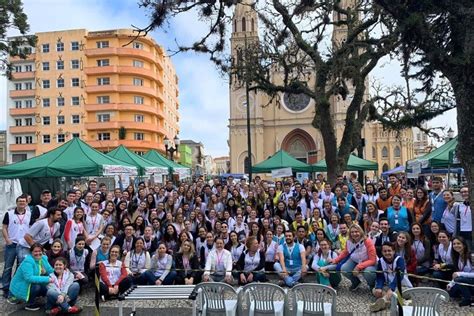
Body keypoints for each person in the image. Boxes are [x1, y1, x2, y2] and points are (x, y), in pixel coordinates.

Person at [8, 243, 54, 311]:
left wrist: (61, 273)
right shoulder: (28, 261)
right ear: (31, 252)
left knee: (46, 288)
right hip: (20, 285)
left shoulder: (43, 258)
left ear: (42, 252)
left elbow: (50, 270)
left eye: (39, 251)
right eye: (35, 251)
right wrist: (47, 279)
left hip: (28, 284)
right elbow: (29, 278)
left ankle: (34, 296)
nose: (38, 253)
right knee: (37, 287)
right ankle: (30, 304)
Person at [330, 224, 377, 290]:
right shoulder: (349, 241)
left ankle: (372, 284)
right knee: (344, 269)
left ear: (360, 232)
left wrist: (358, 267)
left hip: (368, 261)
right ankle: (356, 281)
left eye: (356, 231)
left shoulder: (367, 241)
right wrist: (336, 260)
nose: (354, 234)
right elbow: (345, 252)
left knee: (368, 272)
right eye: (352, 232)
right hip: (355, 259)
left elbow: (373, 260)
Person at [1, 194, 31, 298]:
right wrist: (7, 239)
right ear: (16, 203)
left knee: (20, 267)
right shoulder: (9, 214)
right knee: (8, 267)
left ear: (26, 203)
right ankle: (5, 287)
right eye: (20, 201)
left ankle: (14, 287)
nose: (22, 203)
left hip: (24, 245)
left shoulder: (29, 214)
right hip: (12, 244)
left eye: (24, 201)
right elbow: (4, 227)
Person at [370, 242, 412, 313]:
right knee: (375, 290)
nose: (387, 253)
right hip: (389, 285)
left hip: (402, 286)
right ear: (382, 252)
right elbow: (380, 276)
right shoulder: (381, 261)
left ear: (393, 251)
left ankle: (382, 301)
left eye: (389, 251)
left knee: (395, 293)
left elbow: (399, 276)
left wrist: (391, 289)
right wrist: (379, 287)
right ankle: (401, 302)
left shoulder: (399, 260)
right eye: (385, 251)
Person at [447, 237, 473, 307]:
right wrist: (450, 284)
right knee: (451, 292)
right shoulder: (457, 257)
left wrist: (459, 274)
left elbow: (459, 274)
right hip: (464, 280)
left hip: (470, 280)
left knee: (459, 279)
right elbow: (457, 274)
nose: (456, 245)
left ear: (464, 245)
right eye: (454, 244)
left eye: (458, 243)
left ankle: (468, 298)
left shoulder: (471, 256)